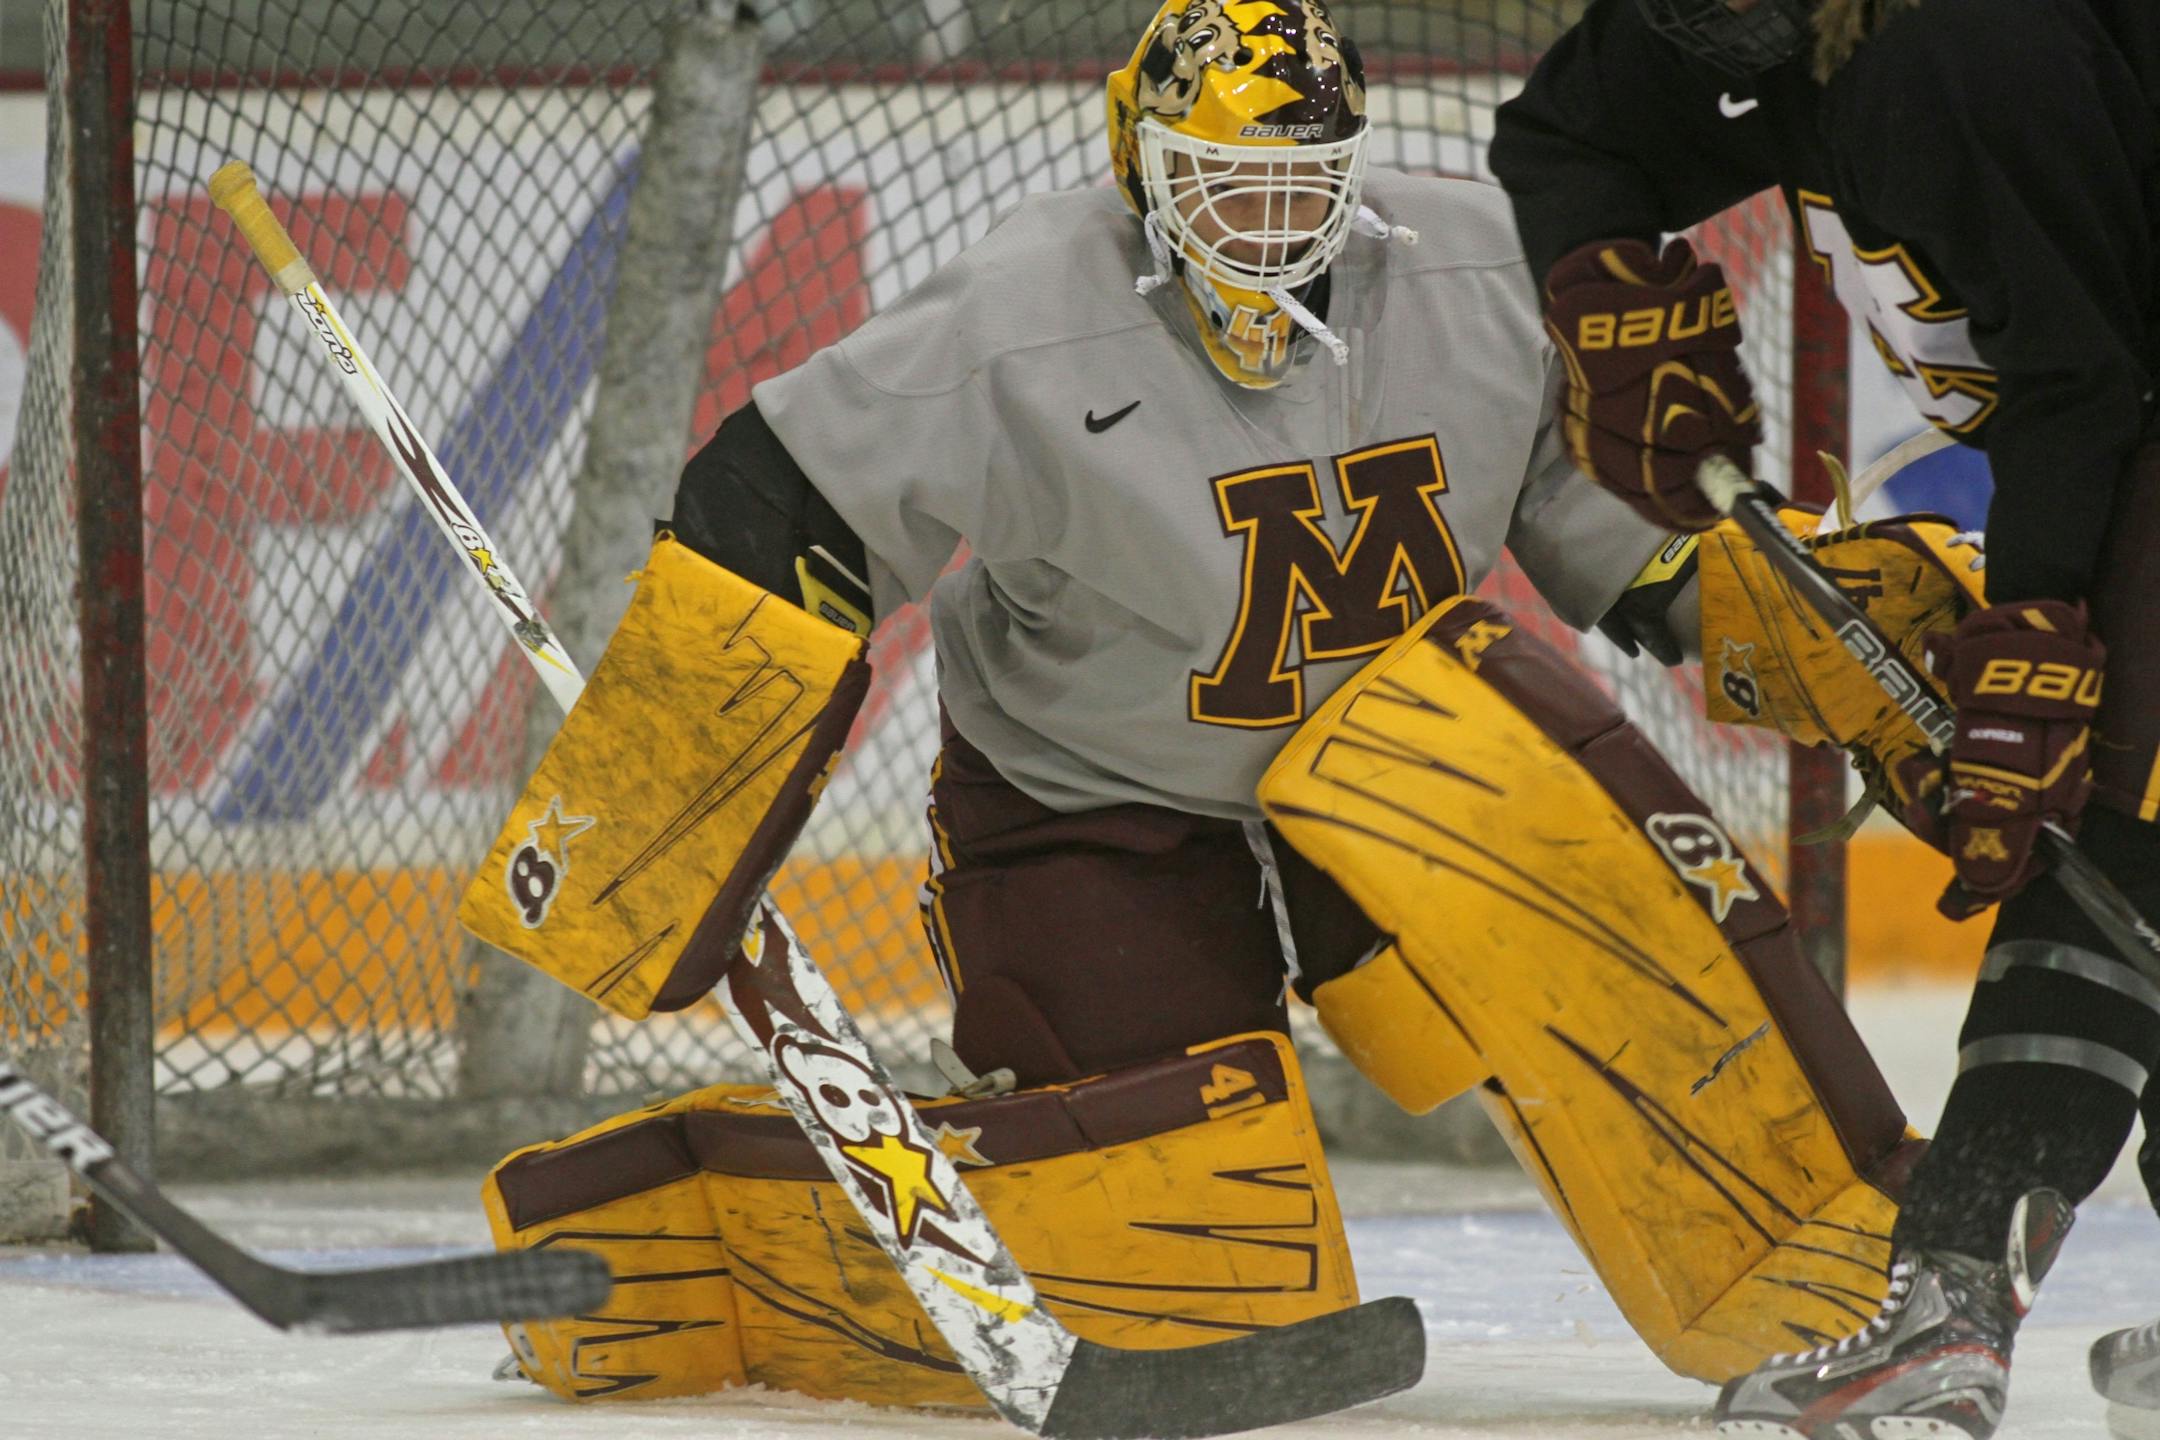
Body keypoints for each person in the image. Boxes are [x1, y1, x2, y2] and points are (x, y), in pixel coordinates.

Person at [459, 0, 1982, 1416]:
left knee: (1627, 928)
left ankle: (1822, 1233)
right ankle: (703, 1237)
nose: (1268, 225)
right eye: (1223, 186)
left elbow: (1617, 519)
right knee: (1189, 1266)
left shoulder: (1482, 272)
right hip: (1096, 801)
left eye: (1304, 186)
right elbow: (777, 498)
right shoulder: (1020, 316)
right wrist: (657, 800)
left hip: (1413, 775)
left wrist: (1787, 623)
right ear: (1140, 164)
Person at [1489, 1, 2160, 1435]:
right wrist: (1613, 307)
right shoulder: (1741, 26)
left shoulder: (1976, 53)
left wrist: (2039, 639)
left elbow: (2087, 378)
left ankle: (1948, 1308)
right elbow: (1562, 136)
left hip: (2127, 392)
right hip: (2120, 396)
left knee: (2115, 829)